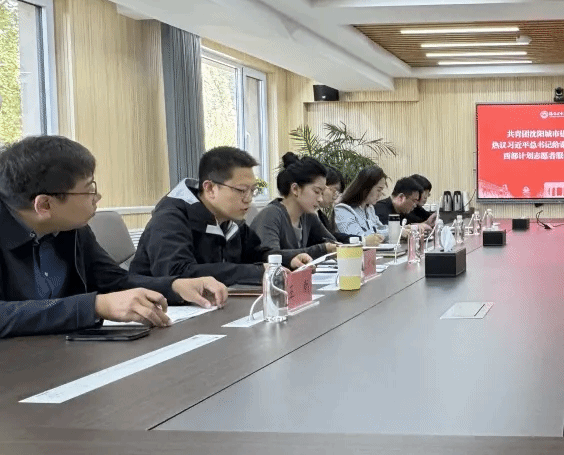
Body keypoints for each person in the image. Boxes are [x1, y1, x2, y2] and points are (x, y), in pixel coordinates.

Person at [0, 136, 228, 338]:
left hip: (64, 353)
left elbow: (113, 281)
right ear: (44, 204)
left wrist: (175, 286)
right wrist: (94, 306)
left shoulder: (70, 227)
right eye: (89, 189)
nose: (97, 196)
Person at [131, 146, 311, 287]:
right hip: (163, 312)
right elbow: (178, 273)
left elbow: (256, 254)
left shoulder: (230, 220)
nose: (248, 199)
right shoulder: (170, 218)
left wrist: (286, 260)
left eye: (252, 190)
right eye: (241, 190)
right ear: (210, 188)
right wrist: (255, 272)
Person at [250, 153, 338, 261]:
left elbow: (331, 242)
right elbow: (270, 256)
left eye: (322, 193)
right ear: (295, 189)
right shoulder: (271, 215)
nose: (320, 199)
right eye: (316, 191)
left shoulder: (308, 216)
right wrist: (322, 249)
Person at [334, 165, 388, 245]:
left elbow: (381, 228)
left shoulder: (369, 208)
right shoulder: (343, 209)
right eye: (378, 190)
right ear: (366, 188)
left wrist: (399, 230)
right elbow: (358, 237)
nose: (380, 194)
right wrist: (381, 234)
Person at [318, 164, 351, 243]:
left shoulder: (321, 216)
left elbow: (333, 236)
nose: (335, 197)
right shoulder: (306, 215)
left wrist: (362, 239)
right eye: (334, 191)